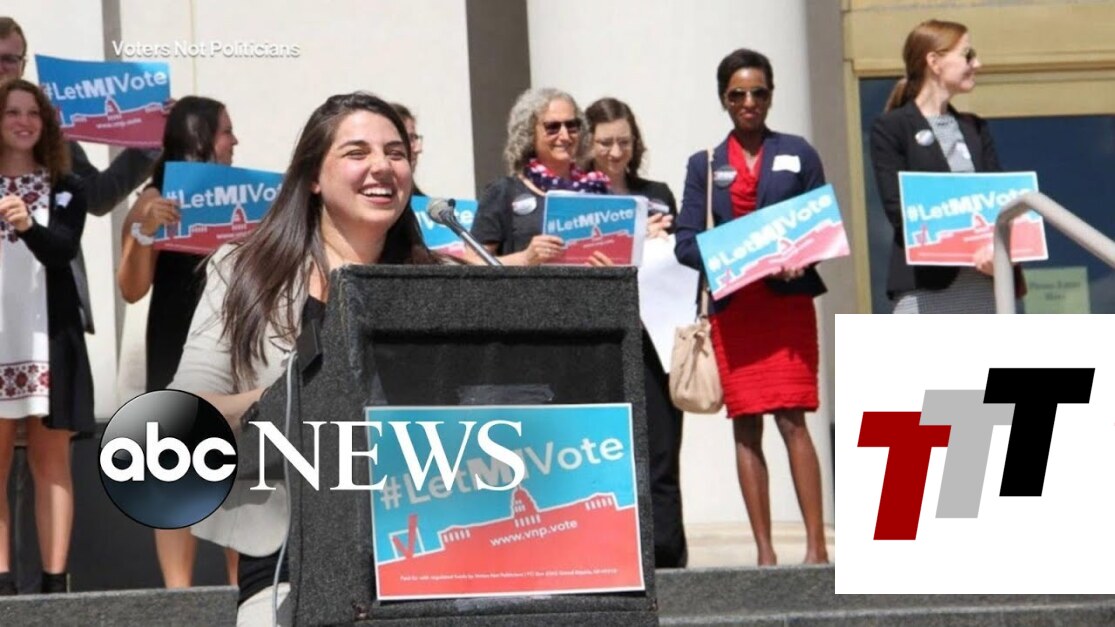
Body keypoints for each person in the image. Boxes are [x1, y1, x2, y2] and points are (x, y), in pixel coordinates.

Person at [169, 91, 437, 624]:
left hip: (425, 546)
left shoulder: (439, 282)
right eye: (357, 152)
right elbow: (186, 412)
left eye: (396, 153)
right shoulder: (243, 272)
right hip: (286, 559)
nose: (382, 166)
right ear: (314, 175)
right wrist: (298, 394)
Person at [674, 48, 829, 566]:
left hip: (785, 308)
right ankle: (764, 555)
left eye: (758, 92)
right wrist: (736, 259)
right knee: (746, 425)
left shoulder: (799, 153)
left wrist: (800, 259)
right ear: (724, 98)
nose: (749, 102)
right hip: (737, 309)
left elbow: (820, 225)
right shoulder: (704, 164)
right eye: (738, 94)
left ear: (771, 95)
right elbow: (686, 242)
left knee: (793, 418)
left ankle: (816, 549)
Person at [116, 96, 239, 588]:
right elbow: (131, 289)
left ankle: (246, 592)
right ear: (200, 137)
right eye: (227, 131)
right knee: (173, 469)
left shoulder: (246, 195)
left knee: (239, 470)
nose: (235, 140)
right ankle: (177, 598)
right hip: (174, 342)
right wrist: (145, 230)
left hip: (234, 341)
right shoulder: (152, 196)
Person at [1, 16, 159, 334]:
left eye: (9, 59)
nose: (1, 67)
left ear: (22, 65)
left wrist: (150, 137)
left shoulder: (46, 133)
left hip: (47, 309)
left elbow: (98, 196)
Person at [584, 96, 687, 568]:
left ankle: (669, 557)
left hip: (657, 337)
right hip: (602, 338)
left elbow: (681, 255)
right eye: (605, 142)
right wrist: (634, 235)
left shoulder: (657, 193)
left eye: (623, 142)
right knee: (611, 454)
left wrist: (667, 238)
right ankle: (618, 557)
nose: (615, 152)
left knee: (663, 450)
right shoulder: (576, 199)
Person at [0, 79, 92, 594]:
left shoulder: (65, 185)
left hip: (48, 341)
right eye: (12, 112)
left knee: (51, 463)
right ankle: (3, 585)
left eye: (33, 113)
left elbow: (62, 251)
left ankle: (56, 587)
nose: (24, 121)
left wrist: (28, 226)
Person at [870, 19, 1016, 313]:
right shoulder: (892, 128)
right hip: (925, 291)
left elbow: (999, 201)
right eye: (968, 55)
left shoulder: (976, 128)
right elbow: (899, 210)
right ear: (934, 62)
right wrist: (965, 241)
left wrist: (995, 249)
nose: (977, 64)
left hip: (984, 287)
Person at [469, 87, 611, 266]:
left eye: (571, 125)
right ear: (529, 133)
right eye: (552, 127)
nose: (565, 136)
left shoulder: (596, 191)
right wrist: (524, 258)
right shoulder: (504, 192)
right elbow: (470, 262)